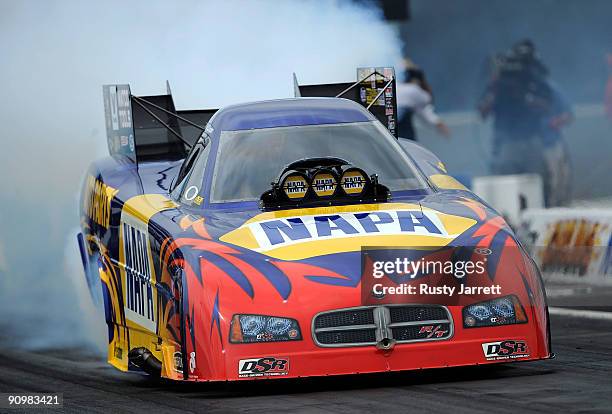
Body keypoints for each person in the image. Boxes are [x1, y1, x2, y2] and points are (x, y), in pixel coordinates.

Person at [478, 39, 573, 207]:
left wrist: (526, 97)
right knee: (505, 184)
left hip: (532, 140)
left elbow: (550, 106)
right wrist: (496, 87)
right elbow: (483, 111)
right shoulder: (499, 84)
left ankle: (544, 210)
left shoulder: (535, 82)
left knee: (539, 182)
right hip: (506, 142)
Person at [396, 61, 450, 141]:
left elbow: (422, 110)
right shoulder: (412, 90)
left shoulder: (399, 88)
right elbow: (427, 100)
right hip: (403, 135)